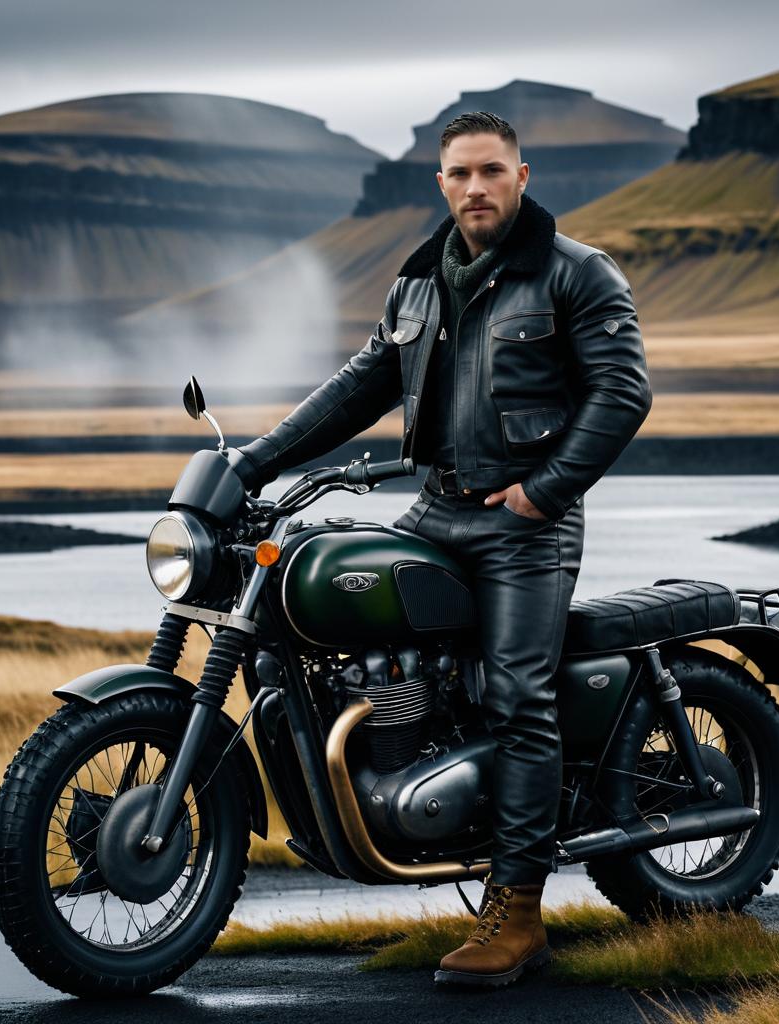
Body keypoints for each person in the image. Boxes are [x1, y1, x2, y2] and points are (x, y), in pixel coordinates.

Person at [235, 111, 652, 986]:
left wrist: (544, 492)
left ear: (523, 176)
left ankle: (519, 910)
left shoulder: (575, 274)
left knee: (517, 696)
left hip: (525, 526)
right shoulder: (421, 281)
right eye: (459, 174)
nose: (475, 188)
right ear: (440, 183)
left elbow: (621, 393)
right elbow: (360, 386)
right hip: (437, 511)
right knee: (344, 636)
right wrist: (255, 460)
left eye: (491, 171)